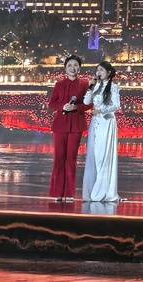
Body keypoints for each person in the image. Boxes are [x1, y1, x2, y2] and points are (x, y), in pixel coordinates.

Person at [47, 54, 92, 201]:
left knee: (71, 159)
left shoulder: (85, 84)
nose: (73, 68)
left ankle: (69, 193)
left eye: (75, 65)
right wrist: (63, 106)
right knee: (59, 158)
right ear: (65, 68)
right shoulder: (59, 84)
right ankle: (57, 193)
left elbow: (89, 104)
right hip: (60, 125)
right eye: (70, 65)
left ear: (79, 68)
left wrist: (76, 107)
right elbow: (52, 104)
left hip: (76, 125)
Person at [82, 60, 121, 203]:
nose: (98, 72)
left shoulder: (114, 87)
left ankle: (103, 192)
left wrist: (101, 110)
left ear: (108, 73)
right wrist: (90, 87)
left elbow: (116, 105)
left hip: (107, 122)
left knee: (103, 156)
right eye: (97, 70)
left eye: (101, 70)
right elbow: (86, 102)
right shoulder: (96, 86)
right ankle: (93, 189)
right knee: (93, 155)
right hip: (95, 123)